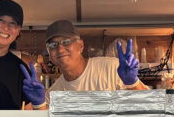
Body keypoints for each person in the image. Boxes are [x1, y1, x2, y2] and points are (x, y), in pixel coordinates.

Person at [19, 20, 148, 107]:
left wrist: (132, 84)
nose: (60, 49)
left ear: (80, 46)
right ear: (49, 54)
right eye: (53, 45)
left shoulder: (112, 68)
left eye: (66, 42)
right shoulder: (53, 93)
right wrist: (39, 104)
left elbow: (148, 105)